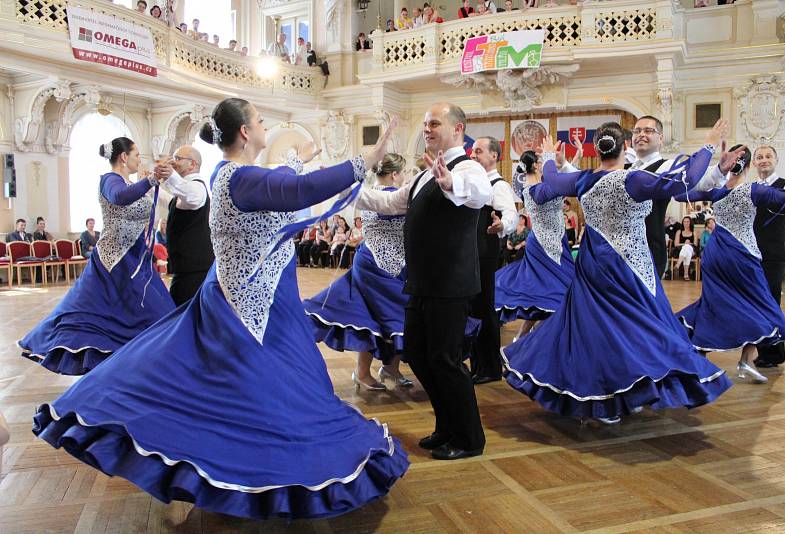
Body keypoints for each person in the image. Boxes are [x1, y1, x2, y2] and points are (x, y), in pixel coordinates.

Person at [32, 97, 408, 520]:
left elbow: (286, 177)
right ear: (246, 132)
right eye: (261, 120)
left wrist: (302, 156)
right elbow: (296, 189)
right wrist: (365, 160)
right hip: (245, 309)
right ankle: (221, 471)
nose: (265, 125)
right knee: (246, 393)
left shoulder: (239, 176)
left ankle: (227, 467)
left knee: (256, 392)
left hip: (267, 304)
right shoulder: (238, 179)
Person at [502, 121, 736, 424]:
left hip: (592, 266)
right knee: (639, 328)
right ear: (624, 147)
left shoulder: (584, 179)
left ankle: (603, 397)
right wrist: (709, 145)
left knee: (595, 330)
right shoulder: (634, 179)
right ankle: (629, 390)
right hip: (629, 267)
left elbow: (554, 180)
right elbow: (685, 179)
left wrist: (548, 157)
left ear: (596, 150)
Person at [354, 102, 492, 460]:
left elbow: (481, 193)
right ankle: (447, 425)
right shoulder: (422, 175)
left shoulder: (469, 168)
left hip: (450, 282)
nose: (427, 129)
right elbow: (390, 204)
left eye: (435, 123)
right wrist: (344, 189)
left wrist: (451, 184)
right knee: (417, 353)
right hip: (421, 281)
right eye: (426, 124)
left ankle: (468, 438)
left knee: (445, 359)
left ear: (457, 129)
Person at [18, 137, 175, 375]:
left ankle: (144, 364)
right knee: (91, 314)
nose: (138, 160)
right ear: (123, 157)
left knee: (157, 310)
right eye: (136, 155)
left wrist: (161, 178)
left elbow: (163, 200)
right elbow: (120, 197)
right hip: (114, 261)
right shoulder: (110, 180)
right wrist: (150, 179)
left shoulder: (134, 183)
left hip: (136, 259)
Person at [676, 144, 785, 384]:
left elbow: (682, 194)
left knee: (714, 305)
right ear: (749, 166)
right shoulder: (753, 191)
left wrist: (717, 171)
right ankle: (743, 361)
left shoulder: (718, 191)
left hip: (716, 255)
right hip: (742, 256)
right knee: (762, 306)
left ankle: (696, 355)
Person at [304, 154, 414, 391]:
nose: (404, 177)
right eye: (403, 172)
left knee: (373, 316)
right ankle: (366, 372)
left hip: (381, 262)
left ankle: (386, 369)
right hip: (380, 265)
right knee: (386, 315)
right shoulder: (391, 195)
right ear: (394, 174)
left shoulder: (371, 192)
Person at [626, 116, 730, 280]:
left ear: (661, 138)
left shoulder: (667, 166)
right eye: (637, 131)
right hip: (622, 254)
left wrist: (719, 170)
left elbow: (696, 180)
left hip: (649, 253)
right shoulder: (627, 168)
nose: (641, 135)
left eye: (648, 130)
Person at [495, 150, 575, 342]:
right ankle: (537, 340)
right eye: (543, 162)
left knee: (541, 295)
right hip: (546, 246)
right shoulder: (537, 189)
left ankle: (523, 338)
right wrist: (554, 161)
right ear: (537, 165)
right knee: (555, 291)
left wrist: (566, 162)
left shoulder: (530, 187)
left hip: (550, 242)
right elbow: (564, 184)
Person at [468, 136, 517, 384]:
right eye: (472, 151)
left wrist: (501, 225)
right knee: (473, 308)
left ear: (494, 156)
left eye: (478, 151)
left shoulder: (498, 185)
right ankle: (477, 364)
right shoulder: (471, 184)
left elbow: (511, 215)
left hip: (485, 253)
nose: (473, 155)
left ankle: (489, 367)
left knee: (484, 309)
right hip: (470, 254)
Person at [751, 145, 785, 369]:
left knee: (771, 300)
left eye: (768, 156)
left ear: (776, 160)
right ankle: (764, 350)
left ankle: (774, 353)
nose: (763, 160)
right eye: (759, 157)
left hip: (774, 253)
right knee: (757, 302)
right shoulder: (750, 188)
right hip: (752, 252)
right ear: (754, 163)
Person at [153, 145, 214, 306]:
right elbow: (171, 201)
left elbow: (192, 196)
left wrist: (171, 175)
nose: (174, 162)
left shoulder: (197, 186)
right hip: (186, 267)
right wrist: (152, 184)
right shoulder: (183, 190)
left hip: (195, 268)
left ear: (192, 164)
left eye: (178, 158)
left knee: (182, 312)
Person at [673, 215, 696, 281]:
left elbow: (695, 244)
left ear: (690, 222)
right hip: (680, 250)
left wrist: (689, 244)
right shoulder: (679, 232)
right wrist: (685, 244)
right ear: (682, 223)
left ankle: (678, 264)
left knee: (687, 248)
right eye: (684, 222)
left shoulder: (694, 232)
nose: (686, 223)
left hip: (692, 250)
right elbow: (676, 244)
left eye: (688, 221)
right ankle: (686, 274)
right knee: (686, 249)